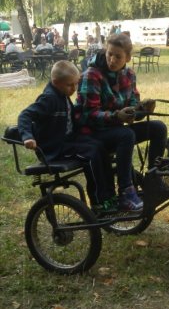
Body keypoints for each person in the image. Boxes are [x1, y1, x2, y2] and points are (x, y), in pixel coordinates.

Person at [74, 33, 169, 212]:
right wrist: (117, 116)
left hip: (114, 129)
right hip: (91, 134)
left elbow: (132, 105)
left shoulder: (129, 74)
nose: (112, 59)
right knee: (126, 134)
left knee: (158, 128)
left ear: (128, 58)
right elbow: (88, 115)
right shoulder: (91, 75)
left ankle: (154, 179)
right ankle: (126, 192)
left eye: (118, 56)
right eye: (110, 54)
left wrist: (142, 109)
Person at [18, 61, 117, 213]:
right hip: (54, 148)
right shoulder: (49, 98)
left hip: (68, 140)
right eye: (70, 85)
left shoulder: (62, 94)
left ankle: (109, 195)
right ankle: (98, 202)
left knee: (99, 146)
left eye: (75, 84)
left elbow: (70, 115)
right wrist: (27, 137)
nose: (74, 89)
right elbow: (25, 115)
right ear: (56, 82)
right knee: (91, 155)